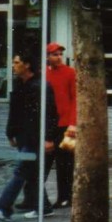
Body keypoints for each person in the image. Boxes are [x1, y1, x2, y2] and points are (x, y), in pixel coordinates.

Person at [0, 53, 59, 221]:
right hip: (23, 135)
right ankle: (44, 207)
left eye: (16, 62)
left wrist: (49, 138)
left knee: (20, 171)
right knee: (32, 173)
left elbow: (51, 114)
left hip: (35, 137)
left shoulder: (41, 86)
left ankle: (3, 208)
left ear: (27, 65)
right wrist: (10, 132)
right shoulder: (20, 84)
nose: (13, 65)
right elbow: (15, 111)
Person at [44, 42, 77, 208]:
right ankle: (35, 197)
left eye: (59, 54)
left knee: (65, 164)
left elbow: (75, 99)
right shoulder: (43, 74)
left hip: (64, 124)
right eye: (54, 54)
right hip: (49, 123)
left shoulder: (70, 73)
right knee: (45, 162)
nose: (58, 57)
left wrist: (72, 123)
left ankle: (65, 197)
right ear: (48, 57)